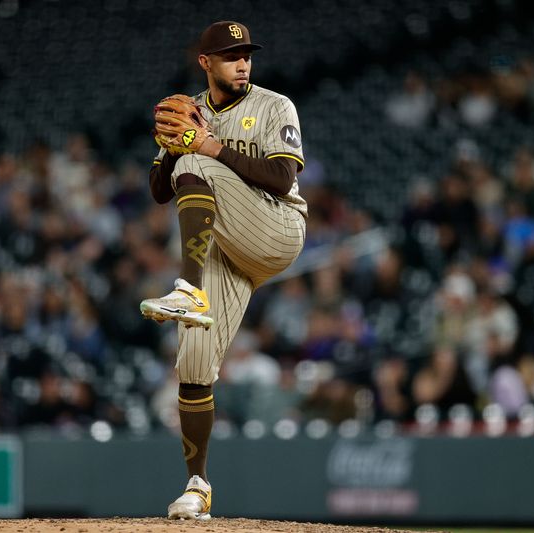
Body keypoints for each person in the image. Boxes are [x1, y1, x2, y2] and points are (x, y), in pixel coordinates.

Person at [140, 21, 307, 520]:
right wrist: (172, 147)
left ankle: (187, 287)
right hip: (227, 246)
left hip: (276, 229)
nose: (242, 62)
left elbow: (281, 178)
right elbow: (158, 190)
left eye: (246, 54)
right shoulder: (190, 108)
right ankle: (198, 485)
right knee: (193, 360)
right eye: (231, 55)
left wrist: (206, 147)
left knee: (202, 165)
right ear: (205, 63)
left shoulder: (275, 105)